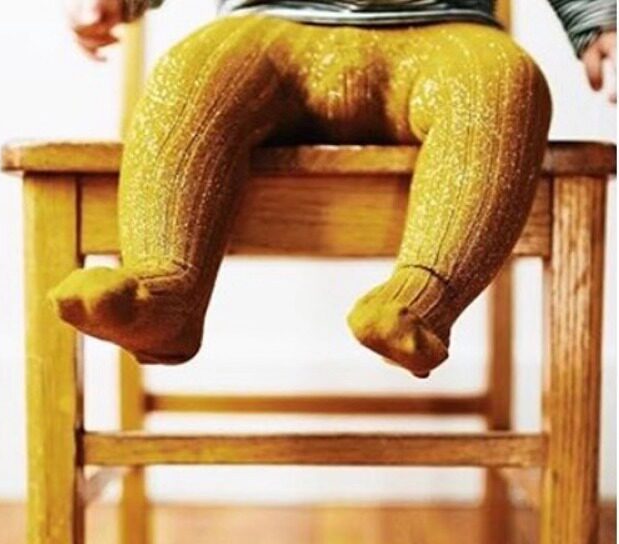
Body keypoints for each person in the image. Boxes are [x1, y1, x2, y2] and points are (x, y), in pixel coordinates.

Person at [53, 0, 616, 377]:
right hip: (264, 30)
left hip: (448, 33)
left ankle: (418, 303)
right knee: (188, 78)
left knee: (506, 85)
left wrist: (600, 23)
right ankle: (163, 294)